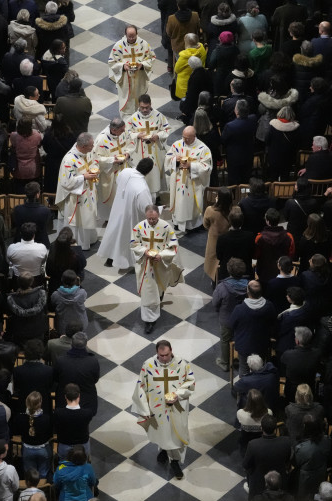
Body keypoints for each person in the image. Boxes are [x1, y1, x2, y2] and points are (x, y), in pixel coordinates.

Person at [132, 340, 195, 480]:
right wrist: (144, 408)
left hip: (176, 407)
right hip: (157, 407)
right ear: (157, 353)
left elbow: (190, 382)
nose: (164, 358)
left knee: (175, 434)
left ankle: (174, 461)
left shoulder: (182, 364)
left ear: (171, 350)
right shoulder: (148, 365)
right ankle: (165, 451)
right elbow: (141, 386)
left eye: (167, 355)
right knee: (161, 430)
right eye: (161, 355)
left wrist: (177, 395)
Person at [130, 205, 184, 333]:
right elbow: (133, 243)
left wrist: (162, 255)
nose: (151, 221)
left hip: (160, 263)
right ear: (146, 216)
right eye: (149, 219)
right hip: (146, 265)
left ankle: (159, 296)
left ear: (158, 215)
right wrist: (144, 251)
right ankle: (149, 320)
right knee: (149, 291)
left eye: (154, 219)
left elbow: (173, 245)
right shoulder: (139, 227)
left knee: (159, 288)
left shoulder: (166, 227)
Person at [98, 159, 153, 269]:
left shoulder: (125, 171)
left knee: (115, 234)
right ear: (148, 172)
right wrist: (160, 209)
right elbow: (147, 209)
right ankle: (128, 262)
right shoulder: (142, 188)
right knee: (127, 238)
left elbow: (118, 182)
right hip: (130, 216)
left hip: (118, 209)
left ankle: (110, 259)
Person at [165, 126, 213, 231]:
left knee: (191, 205)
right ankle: (178, 223)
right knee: (179, 202)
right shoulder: (177, 144)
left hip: (193, 182)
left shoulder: (203, 148)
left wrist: (191, 165)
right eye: (183, 137)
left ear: (194, 136)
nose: (184, 140)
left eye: (187, 138)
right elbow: (168, 158)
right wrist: (175, 160)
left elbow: (207, 167)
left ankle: (193, 226)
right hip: (178, 181)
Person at [56, 133, 99, 250]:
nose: (93, 146)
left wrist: (94, 169)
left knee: (88, 217)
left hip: (88, 191)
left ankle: (89, 239)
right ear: (83, 146)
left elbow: (94, 161)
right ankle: (76, 243)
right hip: (76, 197)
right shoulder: (68, 160)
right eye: (91, 145)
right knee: (78, 219)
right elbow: (66, 182)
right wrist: (84, 177)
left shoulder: (87, 152)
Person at [126, 95, 171, 197]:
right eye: (142, 107)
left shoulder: (159, 116)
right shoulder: (133, 118)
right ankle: (142, 194)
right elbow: (127, 133)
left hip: (155, 151)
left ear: (150, 104)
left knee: (155, 174)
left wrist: (158, 135)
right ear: (139, 105)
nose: (145, 110)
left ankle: (157, 195)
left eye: (147, 107)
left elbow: (167, 129)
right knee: (143, 173)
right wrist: (137, 135)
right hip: (140, 152)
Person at [109, 24, 156, 118]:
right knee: (127, 103)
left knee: (140, 97)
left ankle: (141, 115)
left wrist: (142, 65)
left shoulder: (144, 44)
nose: (131, 38)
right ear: (125, 34)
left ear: (137, 34)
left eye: (133, 36)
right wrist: (123, 66)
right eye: (129, 36)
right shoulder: (118, 46)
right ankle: (126, 120)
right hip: (126, 79)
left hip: (139, 78)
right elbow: (111, 62)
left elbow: (152, 57)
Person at [243, 415, 293, 497]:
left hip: (259, 482)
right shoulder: (286, 441)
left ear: (261, 428)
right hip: (279, 480)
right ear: (275, 428)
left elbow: (245, 465)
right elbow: (287, 460)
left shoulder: (253, 444)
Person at [94, 118, 134, 221]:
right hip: (110, 173)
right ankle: (110, 219)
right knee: (113, 197)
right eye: (121, 130)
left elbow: (131, 144)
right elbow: (96, 159)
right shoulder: (101, 139)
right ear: (114, 130)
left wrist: (127, 153)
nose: (124, 132)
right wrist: (112, 160)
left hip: (124, 168)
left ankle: (124, 215)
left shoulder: (123, 132)